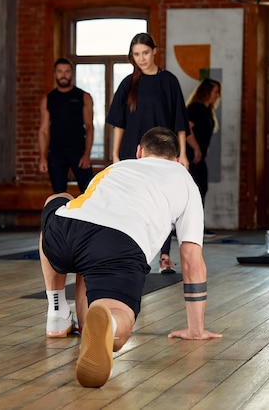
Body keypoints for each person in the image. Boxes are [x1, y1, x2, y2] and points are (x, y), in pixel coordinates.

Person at [39, 127, 222, 388]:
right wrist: (196, 329)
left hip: (66, 230)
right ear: (177, 159)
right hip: (117, 243)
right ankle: (109, 322)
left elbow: (91, 215)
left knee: (56, 201)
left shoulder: (117, 168)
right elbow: (192, 258)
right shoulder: (184, 179)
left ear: (139, 152)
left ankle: (57, 313)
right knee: (115, 320)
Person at [107, 32, 190, 274]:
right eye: (136, 54)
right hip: (133, 153)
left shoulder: (169, 81)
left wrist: (182, 154)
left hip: (164, 153)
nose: (141, 58)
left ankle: (164, 257)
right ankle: (134, 257)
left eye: (145, 53)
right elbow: (118, 123)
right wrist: (115, 155)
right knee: (134, 206)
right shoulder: (128, 83)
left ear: (154, 51)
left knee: (163, 204)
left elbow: (180, 122)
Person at [38, 58, 94, 194]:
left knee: (89, 193)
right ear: (55, 74)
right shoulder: (48, 99)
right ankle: (60, 216)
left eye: (67, 71)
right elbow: (44, 130)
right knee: (58, 194)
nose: (63, 75)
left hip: (79, 153)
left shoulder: (83, 97)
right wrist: (42, 157)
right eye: (60, 72)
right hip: (56, 152)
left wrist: (87, 154)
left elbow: (89, 127)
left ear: (72, 74)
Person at [185, 78, 222, 238]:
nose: (217, 95)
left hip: (199, 156)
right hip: (191, 156)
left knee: (201, 189)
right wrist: (196, 148)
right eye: (215, 92)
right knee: (195, 190)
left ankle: (196, 226)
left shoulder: (207, 110)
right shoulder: (195, 108)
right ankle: (189, 228)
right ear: (206, 92)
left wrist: (203, 148)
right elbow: (186, 130)